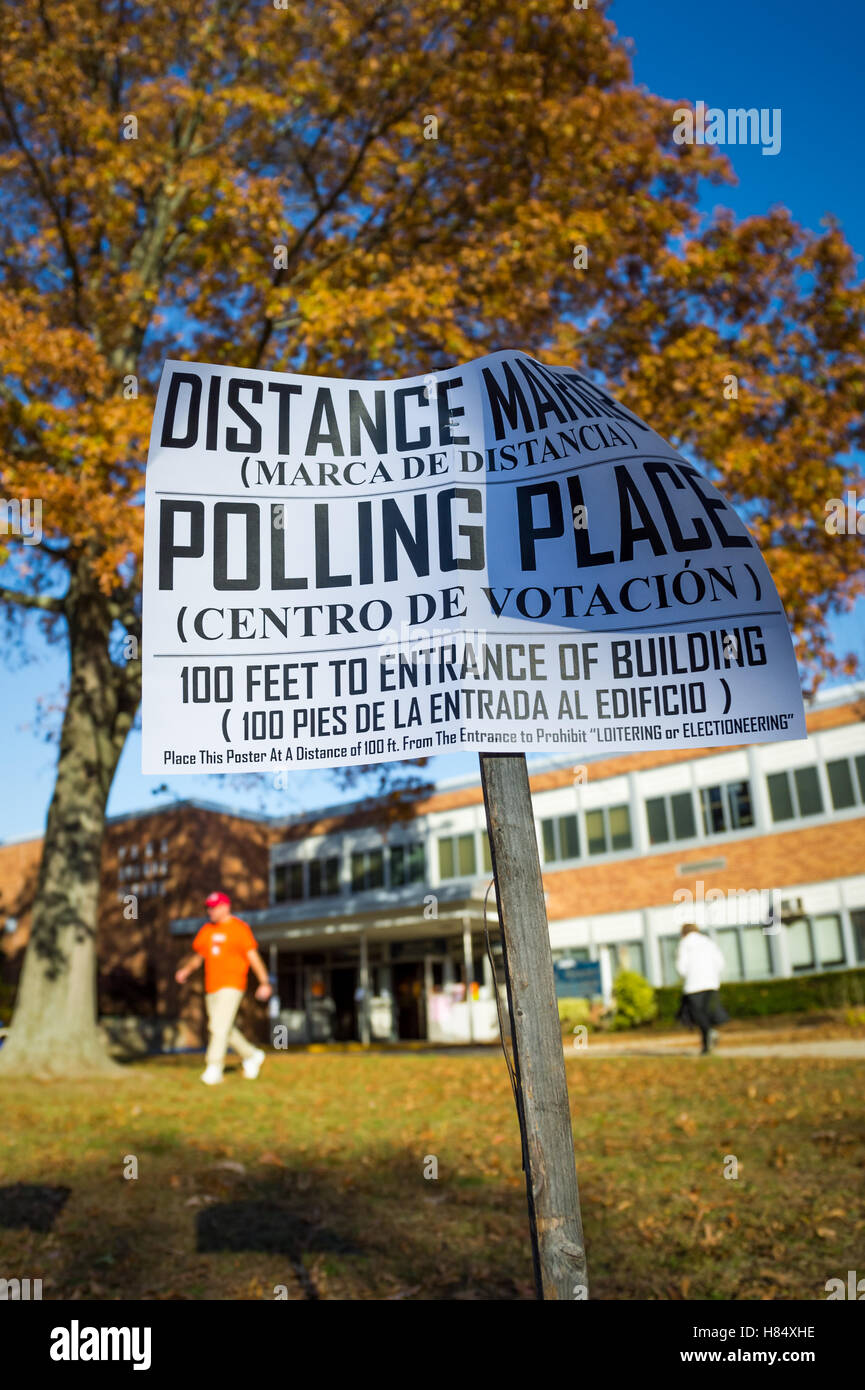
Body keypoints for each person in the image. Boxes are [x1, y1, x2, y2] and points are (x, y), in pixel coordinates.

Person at [174, 891, 272, 1085]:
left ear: (226, 906)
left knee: (219, 1027)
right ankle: (252, 1054)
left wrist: (264, 982)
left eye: (214, 906)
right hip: (211, 986)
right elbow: (199, 957)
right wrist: (185, 971)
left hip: (232, 984)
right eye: (209, 907)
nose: (210, 910)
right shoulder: (207, 931)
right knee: (220, 1027)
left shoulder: (239, 929)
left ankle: (214, 1067)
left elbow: (253, 957)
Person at [675, 922, 729, 1055]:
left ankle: (710, 1033)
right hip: (711, 983)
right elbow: (720, 962)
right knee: (706, 1013)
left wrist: (688, 974)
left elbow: (681, 967)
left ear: (683, 933)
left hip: (694, 985)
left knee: (697, 1015)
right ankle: (706, 1047)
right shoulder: (708, 942)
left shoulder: (684, 944)